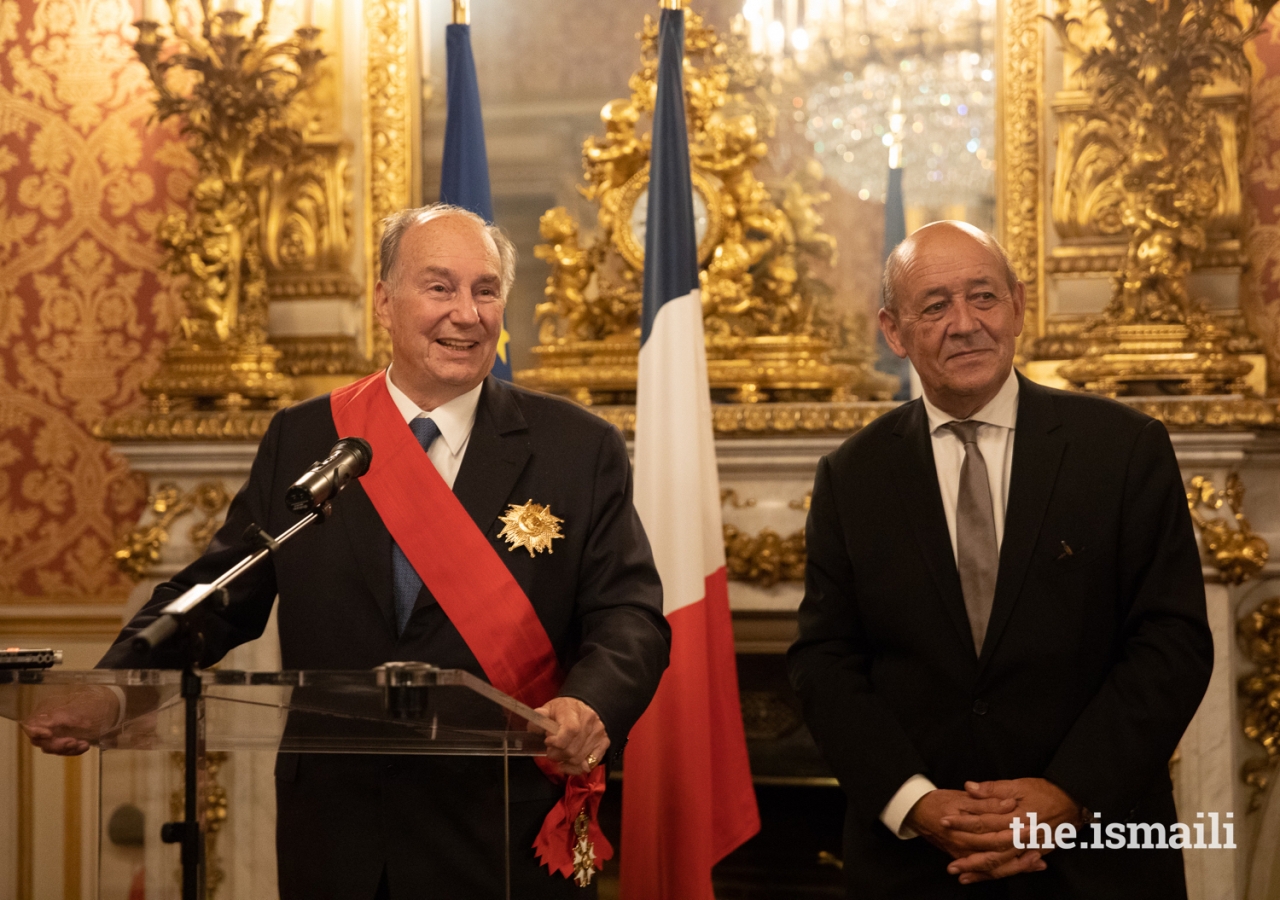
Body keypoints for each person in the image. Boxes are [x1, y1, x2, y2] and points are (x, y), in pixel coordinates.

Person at [25, 204, 671, 899]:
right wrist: (114, 686)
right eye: (440, 287)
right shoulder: (305, 439)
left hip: (500, 829)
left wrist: (591, 703)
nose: (467, 313)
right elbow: (220, 593)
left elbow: (630, 616)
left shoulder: (577, 447)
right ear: (384, 302)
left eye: (485, 290)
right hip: (335, 832)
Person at [788, 221, 1213, 899]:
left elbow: (1173, 642)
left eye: (982, 297)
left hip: (1096, 857)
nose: (964, 324)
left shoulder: (1124, 449)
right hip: (918, 865)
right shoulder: (851, 475)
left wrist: (1068, 795)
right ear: (894, 333)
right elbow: (825, 662)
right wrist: (916, 803)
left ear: (1017, 305)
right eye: (934, 306)